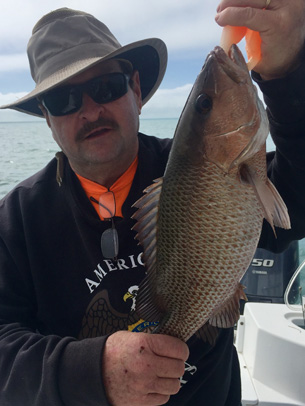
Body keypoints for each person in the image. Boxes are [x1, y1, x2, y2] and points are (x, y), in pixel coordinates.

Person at [1, 1, 305, 405]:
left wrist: (286, 74)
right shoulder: (17, 220)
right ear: (47, 117)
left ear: (137, 91)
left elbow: (297, 203)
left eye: (106, 87)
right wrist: (91, 371)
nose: (90, 110)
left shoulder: (194, 166)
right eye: (63, 100)